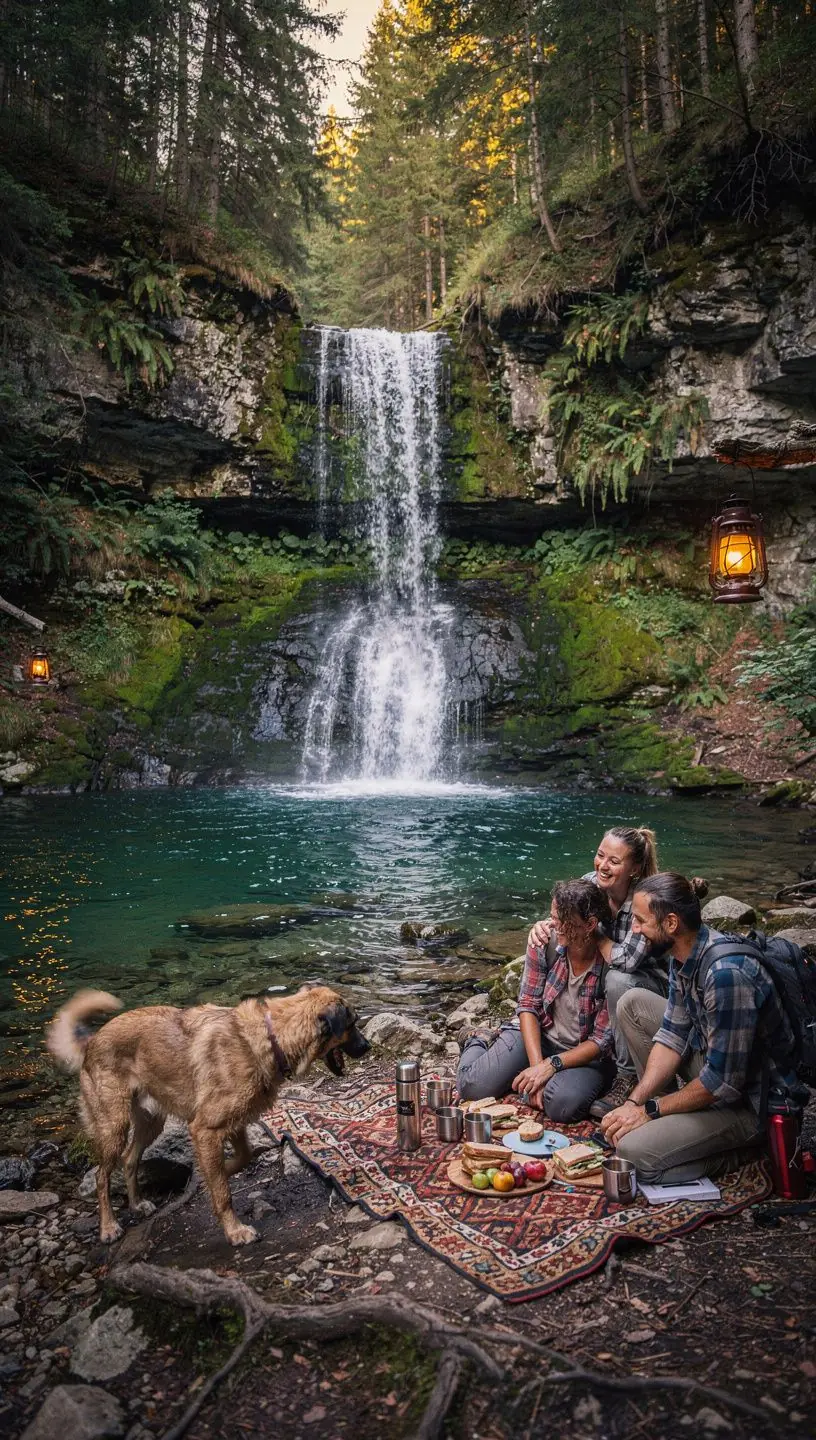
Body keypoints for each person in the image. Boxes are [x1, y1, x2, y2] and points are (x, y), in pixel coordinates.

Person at [600, 872, 799, 1183]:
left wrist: (651, 1110)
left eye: (640, 921)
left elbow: (723, 1083)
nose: (634, 930)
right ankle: (666, 1126)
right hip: (716, 1072)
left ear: (671, 924)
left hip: (752, 1105)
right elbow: (671, 1036)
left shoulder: (725, 975)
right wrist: (636, 1102)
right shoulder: (683, 955)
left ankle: (744, 1151)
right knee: (633, 1003)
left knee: (634, 1155)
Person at [527, 826, 670, 1114]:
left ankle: (626, 1075)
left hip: (650, 986)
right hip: (612, 980)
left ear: (635, 868)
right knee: (603, 971)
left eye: (614, 861)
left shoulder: (645, 900)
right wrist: (543, 925)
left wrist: (599, 936)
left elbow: (628, 961)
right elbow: (566, 912)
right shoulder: (591, 883)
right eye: (600, 855)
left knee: (617, 979)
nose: (602, 866)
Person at [456, 878, 616, 1123]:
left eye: (564, 921)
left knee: (563, 1107)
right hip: (538, 1036)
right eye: (553, 916)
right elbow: (528, 1005)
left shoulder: (610, 966)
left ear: (590, 924)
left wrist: (550, 1066)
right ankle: (476, 1039)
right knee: (472, 1088)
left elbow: (601, 1041)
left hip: (583, 1054)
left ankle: (539, 1077)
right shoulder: (544, 941)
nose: (555, 925)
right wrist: (536, 1068)